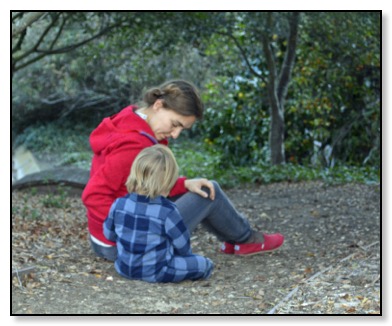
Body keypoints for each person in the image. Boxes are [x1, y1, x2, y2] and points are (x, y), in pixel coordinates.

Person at [81, 79, 284, 261]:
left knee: (199, 188)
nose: (175, 134)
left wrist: (184, 184)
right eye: (175, 124)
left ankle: (236, 240)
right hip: (122, 246)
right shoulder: (134, 144)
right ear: (158, 105)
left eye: (182, 129)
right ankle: (245, 239)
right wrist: (132, 230)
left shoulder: (132, 118)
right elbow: (94, 195)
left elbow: (146, 182)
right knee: (208, 193)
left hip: (104, 239)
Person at [103, 145, 213, 283]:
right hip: (157, 272)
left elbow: (109, 234)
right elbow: (184, 247)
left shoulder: (119, 204)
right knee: (202, 263)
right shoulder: (168, 211)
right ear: (167, 182)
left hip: (123, 268)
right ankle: (206, 268)